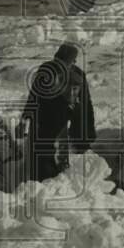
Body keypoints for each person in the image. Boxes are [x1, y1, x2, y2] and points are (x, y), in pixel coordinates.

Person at [18, 43, 96, 182]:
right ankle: (48, 183)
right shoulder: (56, 72)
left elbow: (85, 105)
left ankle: (48, 183)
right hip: (49, 122)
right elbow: (34, 97)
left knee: (49, 156)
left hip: (52, 123)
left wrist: (86, 133)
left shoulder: (71, 74)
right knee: (49, 157)